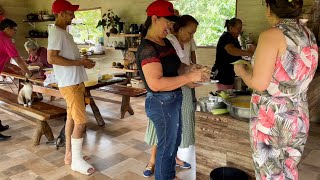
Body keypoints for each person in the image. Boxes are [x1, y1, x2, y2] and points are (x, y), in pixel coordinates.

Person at [234, 0, 318, 179]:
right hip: (298, 116)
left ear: (269, 8)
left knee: (269, 173)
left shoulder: (272, 35)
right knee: (289, 170)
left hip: (272, 118)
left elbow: (259, 83)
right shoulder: (307, 34)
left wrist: (242, 71)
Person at [136, 0, 210, 179]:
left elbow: (177, 67)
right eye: (167, 22)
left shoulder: (165, 43)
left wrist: (191, 70)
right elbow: (156, 83)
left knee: (172, 145)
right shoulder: (148, 47)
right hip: (160, 104)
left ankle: (167, 175)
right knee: (166, 149)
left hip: (173, 101)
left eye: (172, 23)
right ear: (154, 19)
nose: (170, 26)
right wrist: (187, 78)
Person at [47, 0, 96, 175]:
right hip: (71, 84)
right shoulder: (56, 33)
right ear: (60, 13)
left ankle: (70, 155)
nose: (73, 15)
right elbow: (51, 58)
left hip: (74, 82)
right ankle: (76, 161)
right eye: (70, 13)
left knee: (72, 119)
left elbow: (65, 58)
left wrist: (82, 63)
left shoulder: (63, 33)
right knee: (81, 122)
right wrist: (79, 62)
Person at [0, 18, 32, 141]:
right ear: (7, 28)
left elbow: (5, 59)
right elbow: (17, 59)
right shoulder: (5, 39)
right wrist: (28, 73)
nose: (15, 32)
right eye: (14, 30)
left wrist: (14, 68)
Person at [211, 18, 254, 90]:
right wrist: (248, 53)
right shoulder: (226, 36)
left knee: (228, 94)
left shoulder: (234, 38)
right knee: (224, 95)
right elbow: (231, 50)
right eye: (238, 28)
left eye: (240, 28)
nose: (240, 31)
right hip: (223, 72)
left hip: (229, 72)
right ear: (231, 28)